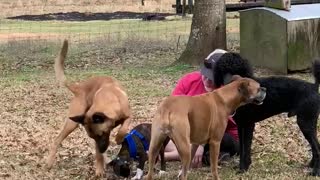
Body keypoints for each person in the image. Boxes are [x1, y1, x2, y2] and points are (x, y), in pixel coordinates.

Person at [164, 49, 239, 168]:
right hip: (186, 131)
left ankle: (170, 155)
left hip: (220, 135)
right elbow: (172, 109)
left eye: (213, 78)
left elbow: (216, 126)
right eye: (205, 74)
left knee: (215, 141)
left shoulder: (228, 92)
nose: (207, 81)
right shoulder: (189, 80)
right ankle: (185, 153)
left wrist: (200, 144)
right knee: (162, 130)